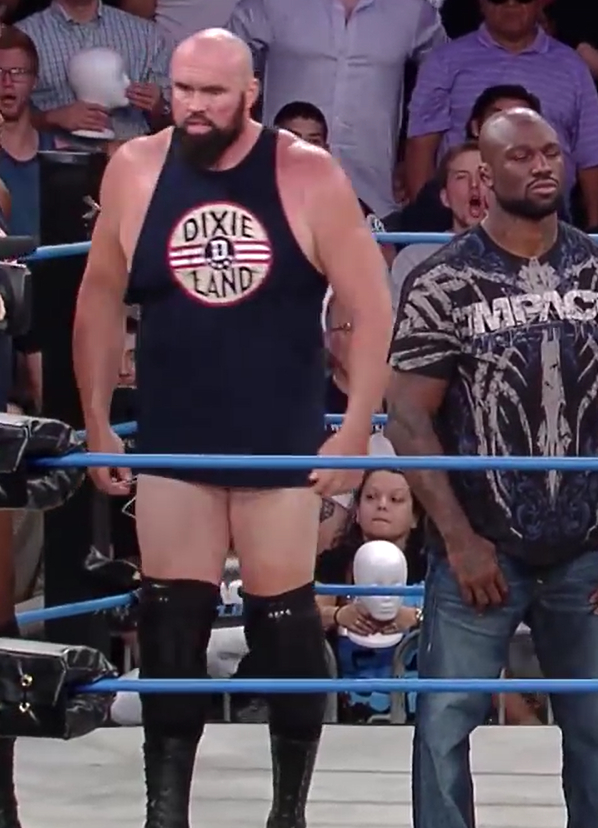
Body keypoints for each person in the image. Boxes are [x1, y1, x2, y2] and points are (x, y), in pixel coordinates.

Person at [70, 28, 393, 828]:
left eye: (213, 92)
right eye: (183, 89)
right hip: (175, 431)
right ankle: (164, 813)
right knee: (170, 621)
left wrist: (355, 427)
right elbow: (100, 295)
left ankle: (288, 812)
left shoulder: (306, 173)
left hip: (275, 432)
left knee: (283, 622)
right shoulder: (135, 168)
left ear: (249, 92)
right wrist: (98, 421)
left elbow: (369, 303)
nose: (194, 106)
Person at [384, 107, 598, 828]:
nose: (540, 166)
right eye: (520, 156)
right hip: (481, 545)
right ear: (483, 176)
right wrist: (458, 538)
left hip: (586, 544)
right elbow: (407, 418)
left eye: (550, 153)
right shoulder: (444, 280)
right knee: (444, 725)